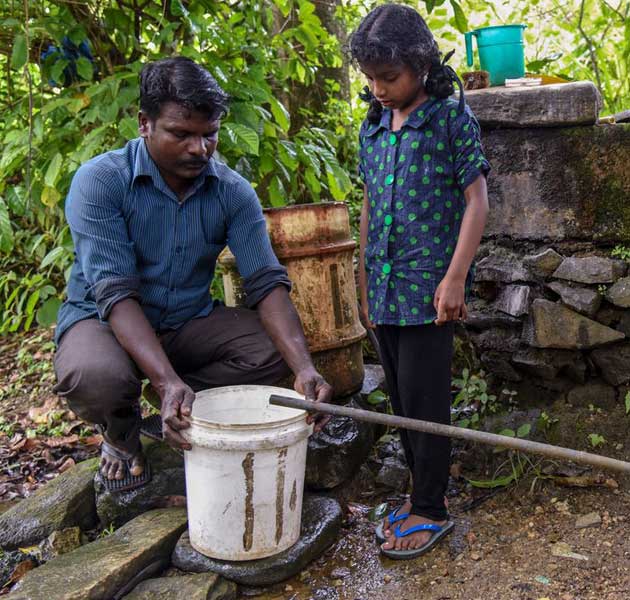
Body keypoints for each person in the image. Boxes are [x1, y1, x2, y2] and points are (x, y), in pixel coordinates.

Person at [53, 56, 332, 492]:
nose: (199, 149)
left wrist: (305, 369)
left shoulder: (233, 192)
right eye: (181, 134)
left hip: (185, 321)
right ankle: (121, 429)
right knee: (96, 376)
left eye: (210, 135)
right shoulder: (100, 182)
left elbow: (265, 281)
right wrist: (165, 381)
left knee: (271, 352)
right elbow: (114, 292)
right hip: (104, 319)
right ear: (145, 123)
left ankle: (180, 402)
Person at [350, 4, 490, 559]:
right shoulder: (374, 127)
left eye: (390, 78)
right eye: (371, 79)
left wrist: (455, 278)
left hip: (429, 291)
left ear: (422, 66)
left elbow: (476, 199)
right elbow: (367, 203)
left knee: (427, 402)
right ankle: (416, 495)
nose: (380, 89)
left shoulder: (451, 119)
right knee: (403, 399)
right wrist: (362, 282)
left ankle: (431, 508)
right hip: (384, 291)